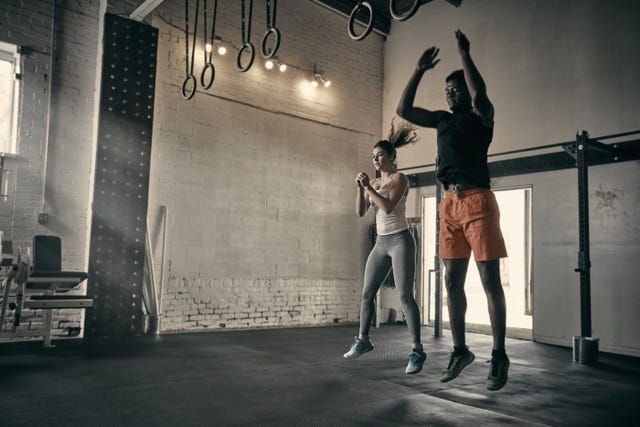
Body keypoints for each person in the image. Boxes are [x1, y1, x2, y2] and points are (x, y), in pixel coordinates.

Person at [396, 29, 510, 391]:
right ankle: (460, 350)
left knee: (489, 280)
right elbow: (404, 110)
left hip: (478, 200)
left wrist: (464, 55)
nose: (450, 93)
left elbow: (480, 94)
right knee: (450, 281)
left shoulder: (481, 118)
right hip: (449, 204)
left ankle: (499, 355)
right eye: (447, 90)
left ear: (467, 92)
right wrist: (417, 70)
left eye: (455, 89)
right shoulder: (442, 120)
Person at [343, 119, 426, 376]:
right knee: (367, 293)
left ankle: (417, 350)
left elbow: (388, 206)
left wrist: (369, 186)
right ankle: (363, 339)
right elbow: (360, 212)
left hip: (400, 240)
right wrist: (361, 189)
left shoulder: (400, 178)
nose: (376, 160)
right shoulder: (374, 184)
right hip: (381, 242)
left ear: (391, 156)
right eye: (373, 157)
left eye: (380, 155)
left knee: (404, 296)